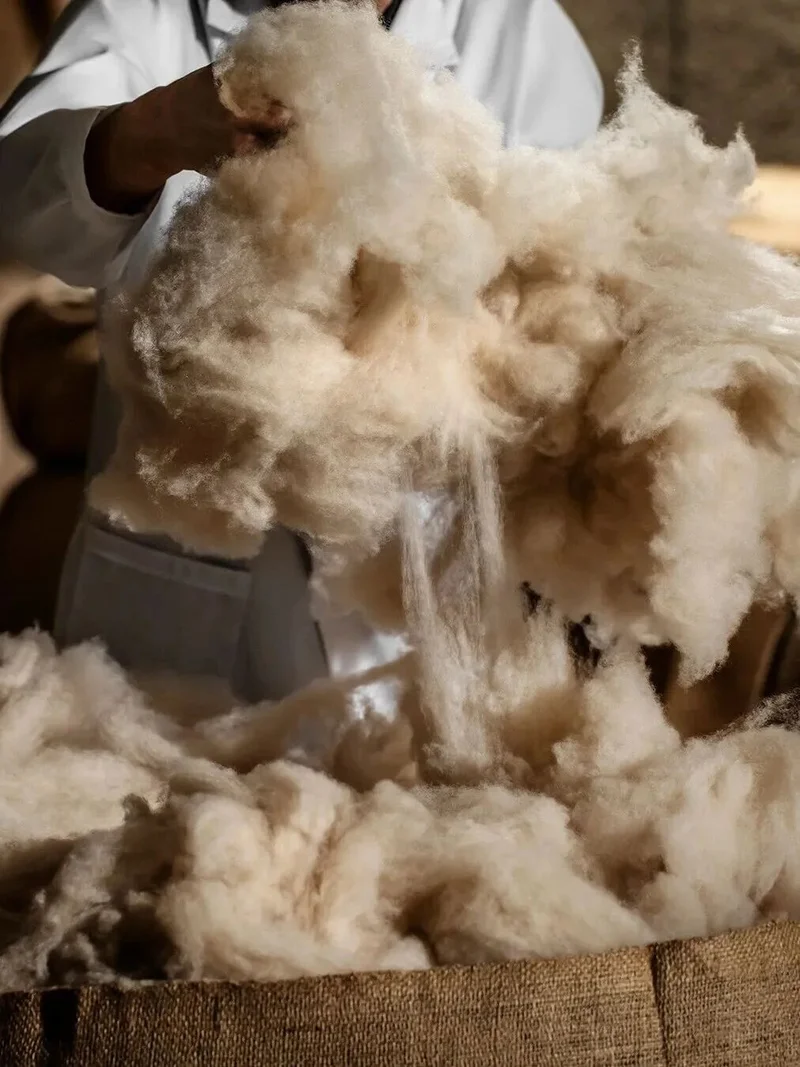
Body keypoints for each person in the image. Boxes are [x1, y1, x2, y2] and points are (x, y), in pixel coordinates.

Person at [0, 0, 603, 702]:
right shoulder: (147, 12)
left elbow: (572, 289)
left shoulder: (515, 29)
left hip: (423, 599)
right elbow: (20, 202)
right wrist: (151, 132)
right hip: (188, 597)